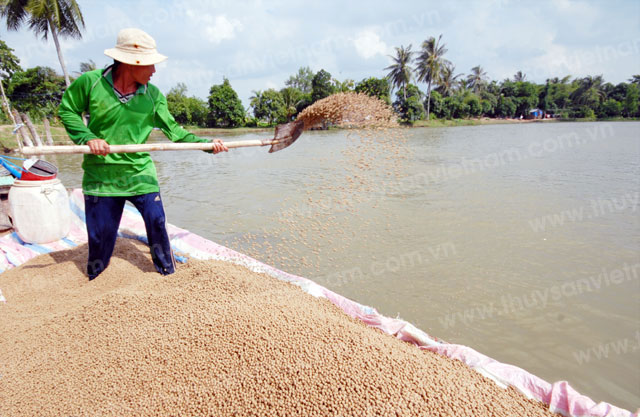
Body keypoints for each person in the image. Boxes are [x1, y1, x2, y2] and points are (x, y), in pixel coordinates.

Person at [59, 28, 228, 280]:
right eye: (150, 64)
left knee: (157, 222)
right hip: (101, 177)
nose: (154, 70)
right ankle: (96, 281)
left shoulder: (153, 95)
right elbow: (68, 110)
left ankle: (168, 274)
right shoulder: (91, 82)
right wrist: (88, 137)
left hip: (140, 173)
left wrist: (207, 144)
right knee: (100, 239)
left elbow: (175, 132)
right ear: (131, 63)